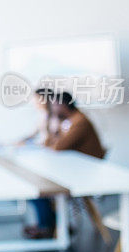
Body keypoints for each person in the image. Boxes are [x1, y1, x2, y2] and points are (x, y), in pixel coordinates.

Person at [24, 91, 106, 239]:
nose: (52, 108)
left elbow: (58, 147)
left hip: (83, 173)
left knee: (38, 188)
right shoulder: (68, 121)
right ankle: (52, 225)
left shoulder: (79, 121)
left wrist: (53, 127)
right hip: (73, 169)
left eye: (54, 105)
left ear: (63, 105)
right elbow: (50, 143)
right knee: (35, 185)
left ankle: (49, 226)